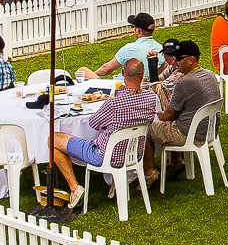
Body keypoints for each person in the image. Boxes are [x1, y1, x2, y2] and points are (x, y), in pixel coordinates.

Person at [48, 58, 158, 206]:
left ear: (123, 73)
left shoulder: (114, 103)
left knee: (53, 139)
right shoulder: (151, 97)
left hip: (104, 156)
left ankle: (75, 189)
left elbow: (93, 123)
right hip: (135, 154)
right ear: (142, 74)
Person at [148, 40, 218, 178]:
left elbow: (169, 116)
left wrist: (164, 115)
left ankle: (149, 174)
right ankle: (175, 162)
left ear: (191, 60)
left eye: (179, 58)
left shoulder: (184, 82)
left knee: (145, 129)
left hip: (189, 134)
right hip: (209, 130)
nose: (176, 62)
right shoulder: (209, 74)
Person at [83, 13, 162, 80]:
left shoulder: (130, 49)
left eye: (133, 27)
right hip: (149, 85)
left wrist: (93, 76)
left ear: (138, 30)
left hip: (125, 86)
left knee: (83, 70)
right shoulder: (161, 49)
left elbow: (106, 69)